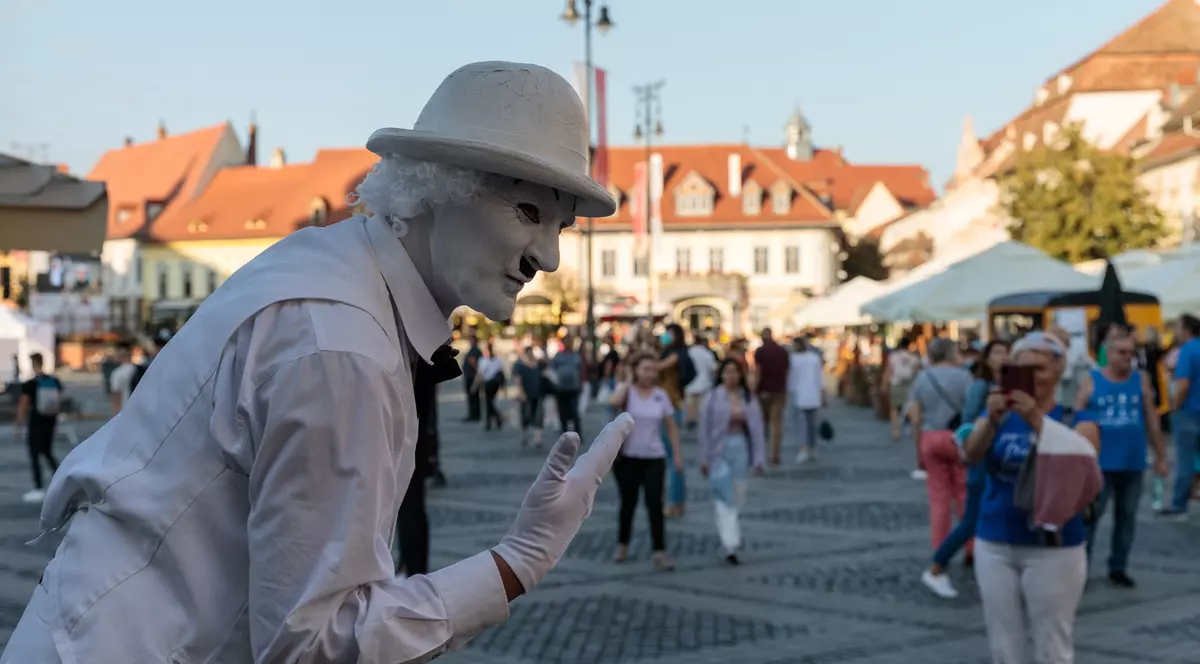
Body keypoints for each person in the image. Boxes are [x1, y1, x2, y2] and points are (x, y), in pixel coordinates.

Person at [2, 61, 637, 663]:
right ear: (440, 187)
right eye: (529, 212)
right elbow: (311, 644)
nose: (549, 257)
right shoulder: (343, 345)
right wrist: (515, 564)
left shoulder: (332, 267)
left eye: (563, 226)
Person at [962, 332, 1100, 664]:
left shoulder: (1078, 421)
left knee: (1053, 641)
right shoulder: (997, 416)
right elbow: (970, 455)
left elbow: (1085, 462)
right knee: (1002, 643)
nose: (1031, 377)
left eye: (1038, 368)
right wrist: (990, 423)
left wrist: (1037, 420)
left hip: (1054, 546)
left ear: (1059, 369)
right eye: (1020, 370)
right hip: (995, 539)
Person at [1077, 328, 1167, 587]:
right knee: (1091, 518)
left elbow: (1152, 419)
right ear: (1109, 353)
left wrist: (1160, 456)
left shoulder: (1141, 380)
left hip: (1133, 461)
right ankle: (1079, 567)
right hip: (1100, 463)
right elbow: (1079, 418)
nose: (1127, 357)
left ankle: (1119, 566)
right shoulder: (1092, 380)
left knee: (1127, 517)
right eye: (1121, 352)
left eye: (1131, 352)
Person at [922, 339, 1009, 599]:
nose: (1002, 357)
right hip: (981, 461)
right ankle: (937, 566)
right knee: (971, 519)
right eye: (997, 352)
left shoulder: (1006, 386)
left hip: (1001, 459)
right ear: (986, 357)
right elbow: (968, 423)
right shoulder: (981, 386)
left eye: (1007, 352)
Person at [906, 338, 973, 599]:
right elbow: (970, 409)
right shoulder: (963, 376)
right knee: (964, 494)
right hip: (957, 437)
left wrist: (917, 449)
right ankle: (971, 547)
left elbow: (915, 414)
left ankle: (940, 547)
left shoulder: (922, 378)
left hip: (930, 437)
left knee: (938, 498)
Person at [609, 352, 681, 571]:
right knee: (627, 503)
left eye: (653, 369)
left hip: (654, 457)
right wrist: (627, 382)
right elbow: (613, 402)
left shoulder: (660, 395)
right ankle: (622, 544)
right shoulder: (627, 392)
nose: (650, 374)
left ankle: (660, 550)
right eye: (645, 369)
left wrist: (677, 455)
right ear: (636, 370)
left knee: (654, 504)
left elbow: (670, 426)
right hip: (628, 458)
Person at [698, 358, 766, 565]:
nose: (731, 376)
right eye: (727, 372)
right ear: (721, 374)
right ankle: (730, 543)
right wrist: (704, 457)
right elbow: (704, 429)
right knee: (723, 494)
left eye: (735, 372)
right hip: (718, 450)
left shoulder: (748, 398)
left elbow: (756, 429)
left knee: (737, 494)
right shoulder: (712, 398)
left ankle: (730, 535)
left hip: (740, 447)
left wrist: (759, 458)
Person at [14, 353, 64, 504]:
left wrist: (18, 424)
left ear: (32, 363)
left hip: (36, 420)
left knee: (34, 454)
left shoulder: (30, 383)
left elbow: (24, 404)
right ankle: (62, 482)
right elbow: (60, 400)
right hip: (50, 420)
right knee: (48, 452)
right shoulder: (54, 380)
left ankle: (38, 487)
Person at [1163, 313, 1200, 519]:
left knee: (1185, 460)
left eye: (1177, 327)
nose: (1175, 331)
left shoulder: (1187, 350)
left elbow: (1183, 384)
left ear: (1186, 329)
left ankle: (1179, 505)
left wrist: (1175, 406)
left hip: (1189, 412)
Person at [656, 323, 692, 517]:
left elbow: (657, 368)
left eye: (667, 333)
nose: (664, 336)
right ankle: (677, 502)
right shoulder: (673, 353)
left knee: (673, 458)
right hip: (669, 406)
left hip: (671, 408)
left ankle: (674, 501)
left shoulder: (676, 355)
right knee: (672, 457)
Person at [753, 328, 790, 465]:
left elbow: (758, 371)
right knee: (776, 424)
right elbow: (786, 372)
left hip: (764, 391)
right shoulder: (782, 351)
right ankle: (774, 454)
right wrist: (785, 391)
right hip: (779, 390)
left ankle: (761, 451)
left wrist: (754, 390)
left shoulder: (760, 352)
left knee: (762, 423)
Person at [884, 337, 920, 444]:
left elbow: (889, 370)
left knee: (895, 408)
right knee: (912, 407)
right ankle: (914, 430)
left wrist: (884, 384)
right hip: (910, 385)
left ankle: (896, 430)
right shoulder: (914, 357)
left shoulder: (893, 357)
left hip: (897, 383)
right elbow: (916, 372)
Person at [549, 335, 584, 436]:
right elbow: (551, 369)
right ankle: (564, 432)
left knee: (574, 411)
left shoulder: (576, 356)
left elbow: (580, 370)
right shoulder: (558, 356)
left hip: (573, 388)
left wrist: (580, 384)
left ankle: (578, 433)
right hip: (561, 389)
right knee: (562, 412)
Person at [513, 346, 545, 448]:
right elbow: (518, 380)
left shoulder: (538, 365)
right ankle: (524, 436)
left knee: (538, 416)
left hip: (538, 393)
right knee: (526, 415)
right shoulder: (520, 366)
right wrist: (521, 392)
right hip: (526, 394)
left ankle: (537, 438)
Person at [684, 333, 718, 429]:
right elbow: (713, 369)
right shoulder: (707, 354)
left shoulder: (689, 352)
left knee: (690, 404)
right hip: (704, 383)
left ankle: (691, 419)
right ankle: (702, 422)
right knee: (702, 406)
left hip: (689, 383)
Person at [475, 342, 506, 431]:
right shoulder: (497, 360)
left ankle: (496, 418)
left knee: (488, 403)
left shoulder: (483, 361)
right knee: (489, 402)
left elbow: (480, 374)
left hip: (489, 383)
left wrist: (475, 385)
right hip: (494, 383)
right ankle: (494, 420)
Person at [108, 341, 139, 415]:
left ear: (122, 352)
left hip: (125, 414)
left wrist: (115, 420)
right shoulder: (140, 370)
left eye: (116, 352)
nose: (115, 355)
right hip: (139, 414)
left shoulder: (117, 373)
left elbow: (116, 399)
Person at [461, 330, 483, 422]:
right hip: (471, 376)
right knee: (473, 396)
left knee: (472, 396)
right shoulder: (475, 350)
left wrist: (477, 370)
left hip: (472, 377)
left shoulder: (474, 350)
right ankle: (474, 414)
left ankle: (474, 415)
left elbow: (473, 361)